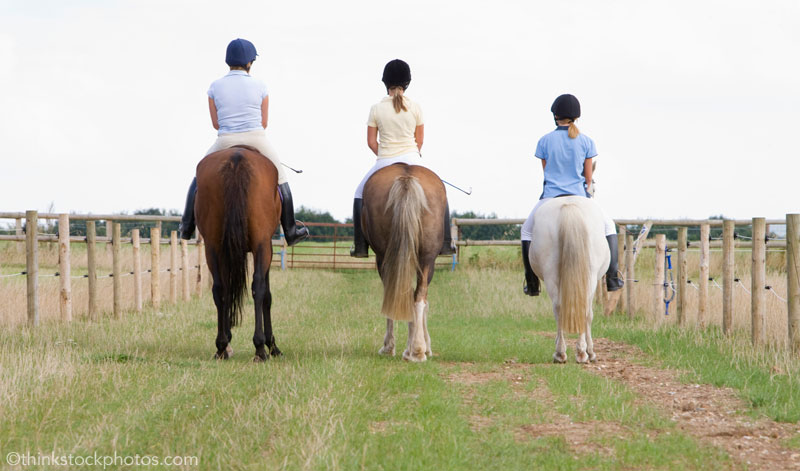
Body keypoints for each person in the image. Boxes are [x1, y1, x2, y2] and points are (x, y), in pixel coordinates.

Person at [179, 38, 308, 245]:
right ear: (249, 62)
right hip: (257, 139)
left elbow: (216, 123)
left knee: (198, 177)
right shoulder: (260, 86)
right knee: (282, 179)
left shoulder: (215, 86)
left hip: (224, 140)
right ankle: (291, 230)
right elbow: (264, 123)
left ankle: (186, 226)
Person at [520, 94, 623, 296]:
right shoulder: (586, 141)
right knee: (608, 226)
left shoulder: (544, 141)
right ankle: (612, 277)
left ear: (555, 116)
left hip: (550, 196)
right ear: (576, 116)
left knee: (526, 231)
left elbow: (546, 172)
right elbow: (588, 177)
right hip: (580, 195)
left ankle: (531, 282)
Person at [350, 59, 454, 257]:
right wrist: (412, 155)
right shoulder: (415, 107)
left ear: (385, 82)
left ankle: (360, 245)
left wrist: (385, 156)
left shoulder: (376, 109)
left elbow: (371, 142)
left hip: (384, 161)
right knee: (440, 191)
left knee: (359, 194)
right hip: (413, 158)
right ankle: (446, 243)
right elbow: (419, 140)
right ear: (407, 83)